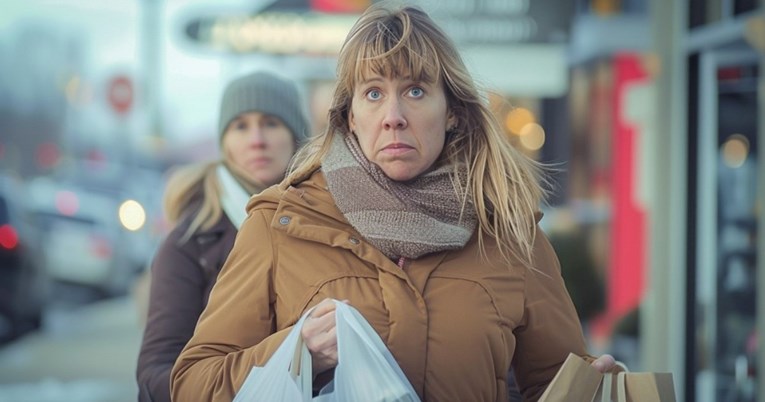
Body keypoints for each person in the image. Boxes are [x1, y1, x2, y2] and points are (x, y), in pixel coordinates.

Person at [171, 3, 618, 401]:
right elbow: (192, 383)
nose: (393, 117)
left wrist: (595, 388)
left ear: (453, 112)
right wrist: (297, 352)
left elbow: (553, 382)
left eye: (416, 91)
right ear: (350, 117)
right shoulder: (281, 223)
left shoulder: (510, 234)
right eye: (373, 94)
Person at [136, 71, 310, 402]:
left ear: (296, 134)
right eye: (240, 126)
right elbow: (155, 375)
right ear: (224, 142)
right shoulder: (190, 244)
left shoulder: (328, 223)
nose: (256, 139)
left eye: (271, 122)